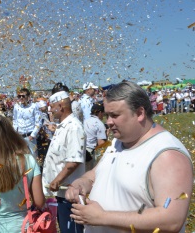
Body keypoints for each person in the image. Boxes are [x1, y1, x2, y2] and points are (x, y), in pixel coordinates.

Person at [66, 81, 193, 233]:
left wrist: (103, 217)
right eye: (107, 115)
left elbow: (171, 219)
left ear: (140, 113)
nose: (108, 122)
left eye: (115, 115)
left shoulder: (167, 155)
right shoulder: (118, 142)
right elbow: (96, 174)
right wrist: (82, 182)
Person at [42, 90, 86, 233]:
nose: (50, 110)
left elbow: (74, 161)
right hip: (61, 194)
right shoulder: (63, 126)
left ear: (61, 106)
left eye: (52, 106)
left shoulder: (73, 127)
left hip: (70, 194)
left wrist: (57, 180)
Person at [12, 88, 42, 157]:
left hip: (30, 136)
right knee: (21, 157)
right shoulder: (16, 107)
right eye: (19, 96)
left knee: (33, 157)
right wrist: (15, 132)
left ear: (28, 96)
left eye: (23, 96)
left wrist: (32, 135)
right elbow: (15, 120)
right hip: (20, 136)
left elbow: (38, 122)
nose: (21, 98)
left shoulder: (34, 106)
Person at [83, 102, 107, 170]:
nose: (103, 115)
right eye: (103, 113)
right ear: (100, 112)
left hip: (82, 150)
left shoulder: (85, 121)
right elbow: (101, 144)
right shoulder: (99, 124)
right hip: (90, 153)